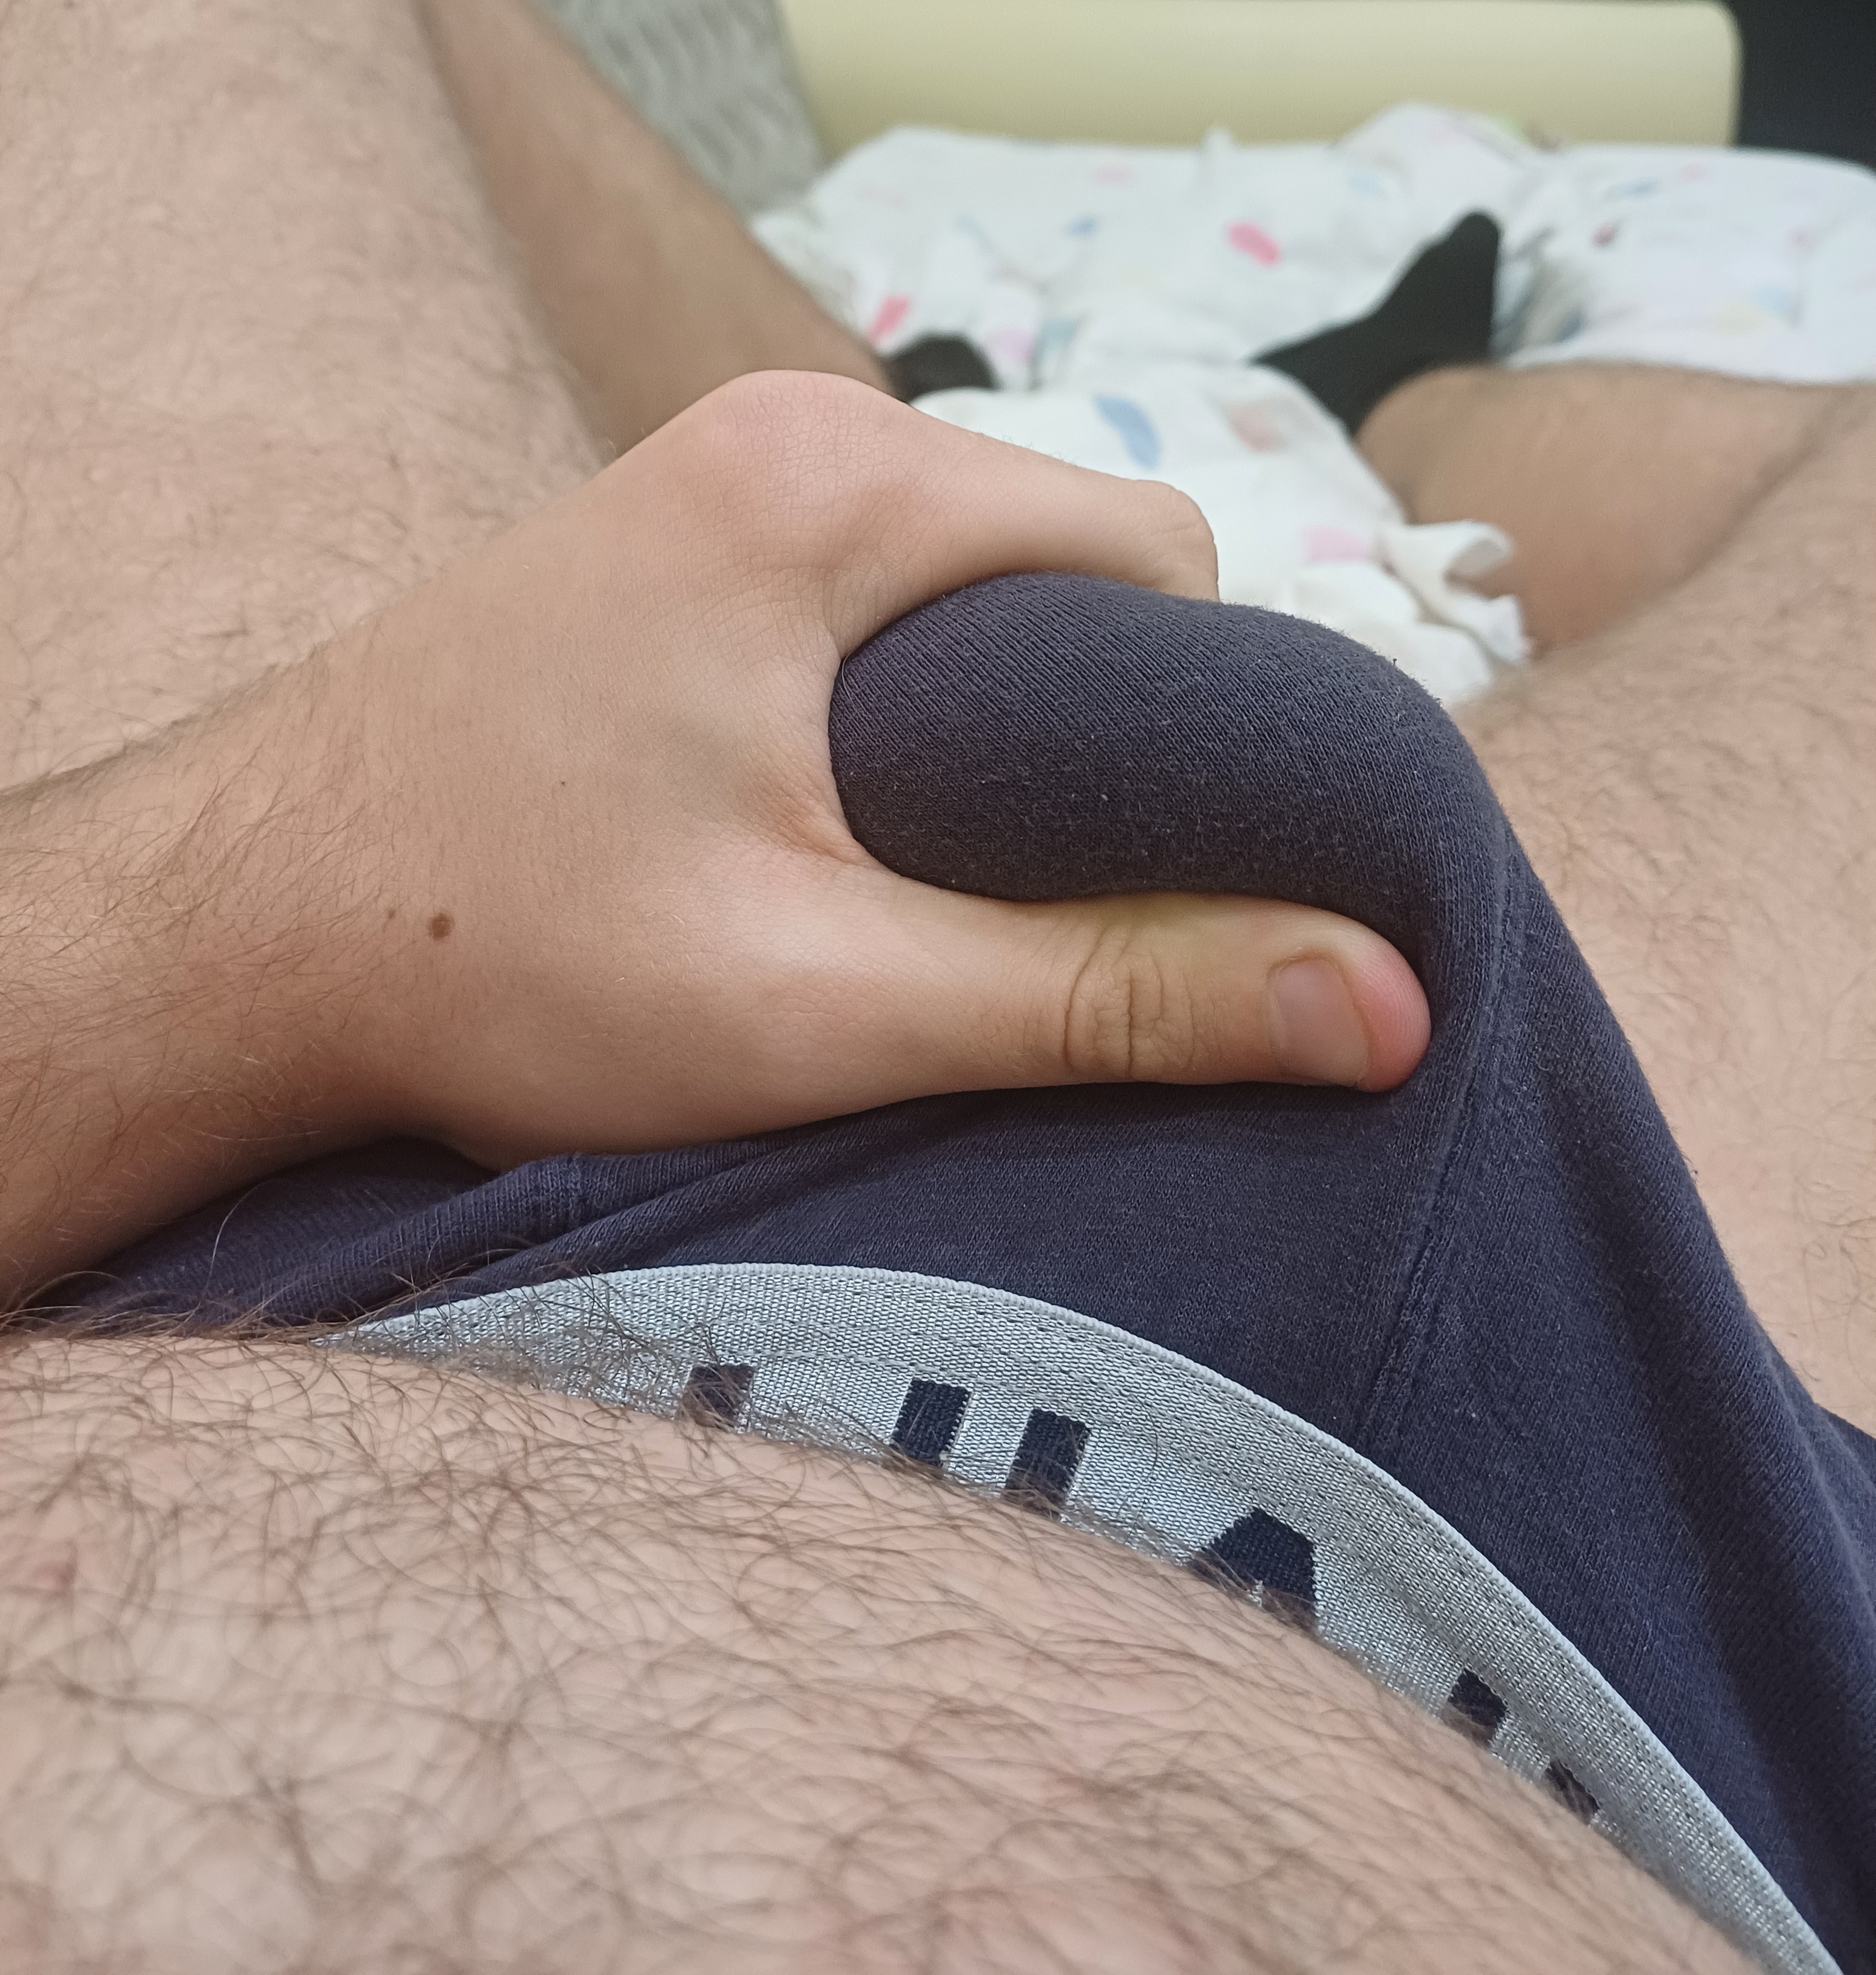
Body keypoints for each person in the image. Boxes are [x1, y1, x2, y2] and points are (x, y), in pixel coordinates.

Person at [0, 1, 1869, 1969]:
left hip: (272, 1182)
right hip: (1649, 1659)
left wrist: (256, 891)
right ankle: (1209, 402)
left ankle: (1239, 404)